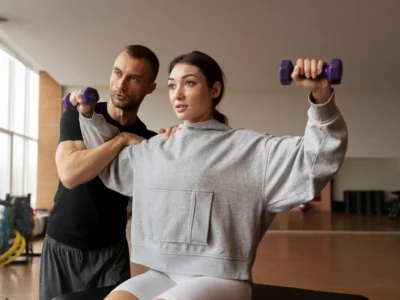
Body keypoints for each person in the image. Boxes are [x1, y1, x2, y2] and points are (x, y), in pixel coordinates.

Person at [75, 51, 348, 300]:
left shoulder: (249, 149)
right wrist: (89, 116)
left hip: (220, 278)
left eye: (189, 83)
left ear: (215, 89)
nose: (177, 94)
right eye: (172, 85)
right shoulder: (156, 148)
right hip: (162, 272)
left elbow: (315, 159)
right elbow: (110, 163)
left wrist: (321, 97)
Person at [39, 44, 178, 300]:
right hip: (62, 245)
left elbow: (170, 191)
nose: (120, 85)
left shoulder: (146, 140)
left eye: (133, 78)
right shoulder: (78, 117)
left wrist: (176, 143)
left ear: (150, 87)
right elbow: (70, 174)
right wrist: (121, 140)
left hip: (111, 253)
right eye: (117, 73)